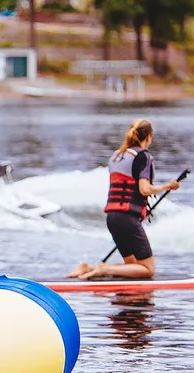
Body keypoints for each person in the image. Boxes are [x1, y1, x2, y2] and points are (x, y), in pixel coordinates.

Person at [68, 119, 179, 280]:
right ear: (148, 136)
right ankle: (103, 270)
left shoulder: (117, 155)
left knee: (132, 265)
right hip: (127, 219)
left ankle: (87, 268)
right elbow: (144, 189)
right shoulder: (143, 156)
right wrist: (168, 186)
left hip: (112, 218)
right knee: (148, 269)